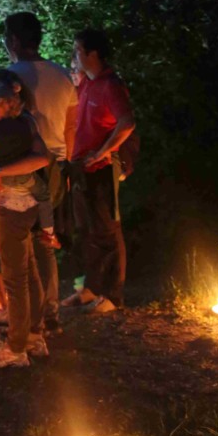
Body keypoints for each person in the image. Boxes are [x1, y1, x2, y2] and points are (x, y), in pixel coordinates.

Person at [3, 12, 78, 330]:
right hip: (58, 168)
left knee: (20, 240)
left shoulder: (9, 78)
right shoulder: (63, 75)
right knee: (46, 240)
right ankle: (50, 312)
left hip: (24, 167)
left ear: (15, 41)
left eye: (7, 37)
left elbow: (5, 127)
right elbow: (72, 130)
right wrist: (68, 167)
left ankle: (28, 315)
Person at [0, 78, 51, 369]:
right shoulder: (28, 123)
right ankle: (34, 334)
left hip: (10, 206)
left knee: (15, 280)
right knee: (30, 271)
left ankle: (16, 345)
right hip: (32, 203)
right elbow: (41, 157)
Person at [68, 27, 135, 313]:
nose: (75, 56)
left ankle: (113, 295)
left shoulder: (110, 85)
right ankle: (92, 288)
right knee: (89, 230)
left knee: (107, 230)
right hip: (84, 166)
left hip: (103, 167)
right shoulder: (88, 83)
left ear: (93, 54)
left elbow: (127, 122)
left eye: (78, 51)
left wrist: (103, 152)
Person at [0, 83, 57, 244]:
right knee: (43, 195)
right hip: (26, 176)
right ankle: (48, 231)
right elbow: (38, 154)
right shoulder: (27, 124)